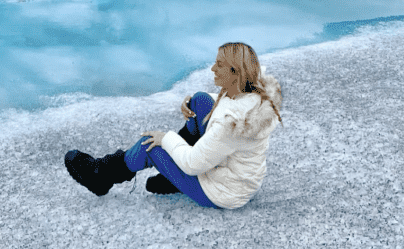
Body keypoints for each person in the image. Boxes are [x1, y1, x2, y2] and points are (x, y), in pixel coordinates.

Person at [64, 42, 283, 210]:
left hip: (222, 191)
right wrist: (190, 105)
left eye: (220, 65)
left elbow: (193, 163)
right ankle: (172, 177)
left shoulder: (231, 124)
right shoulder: (255, 95)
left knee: (151, 145)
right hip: (237, 177)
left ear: (236, 72)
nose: (213, 68)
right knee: (199, 101)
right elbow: (226, 104)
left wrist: (165, 138)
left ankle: (101, 175)